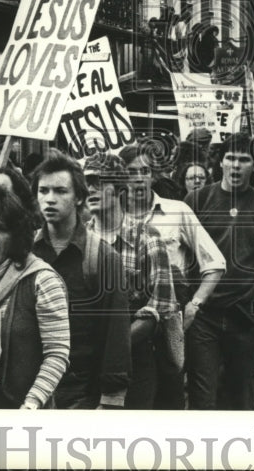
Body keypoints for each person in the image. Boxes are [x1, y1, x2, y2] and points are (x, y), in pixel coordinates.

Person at [119, 143, 226, 409]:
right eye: (132, 172)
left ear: (153, 174)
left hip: (169, 324)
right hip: (125, 325)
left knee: (171, 398)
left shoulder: (177, 210)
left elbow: (215, 262)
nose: (139, 178)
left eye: (145, 171)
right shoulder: (111, 215)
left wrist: (194, 305)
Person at [184, 132, 254, 410]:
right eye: (230, 158)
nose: (236, 165)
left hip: (246, 317)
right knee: (203, 399)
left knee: (241, 399)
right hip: (203, 316)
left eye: (244, 159)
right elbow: (180, 258)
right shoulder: (196, 201)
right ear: (220, 163)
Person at [30, 152, 132, 409]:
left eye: (61, 191)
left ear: (78, 197)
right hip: (30, 393)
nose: (50, 199)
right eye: (43, 191)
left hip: (80, 396)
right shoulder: (25, 251)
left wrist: (111, 400)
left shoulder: (103, 256)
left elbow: (115, 332)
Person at [0, 183, 70, 409]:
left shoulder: (42, 280)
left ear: (16, 233)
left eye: (1, 229)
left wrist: (31, 404)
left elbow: (57, 354)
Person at [86, 155, 179, 409]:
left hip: (134, 361)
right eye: (87, 182)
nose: (90, 189)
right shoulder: (80, 237)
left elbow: (160, 307)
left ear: (119, 188)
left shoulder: (145, 236)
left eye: (98, 181)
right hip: (83, 361)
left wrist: (114, 348)